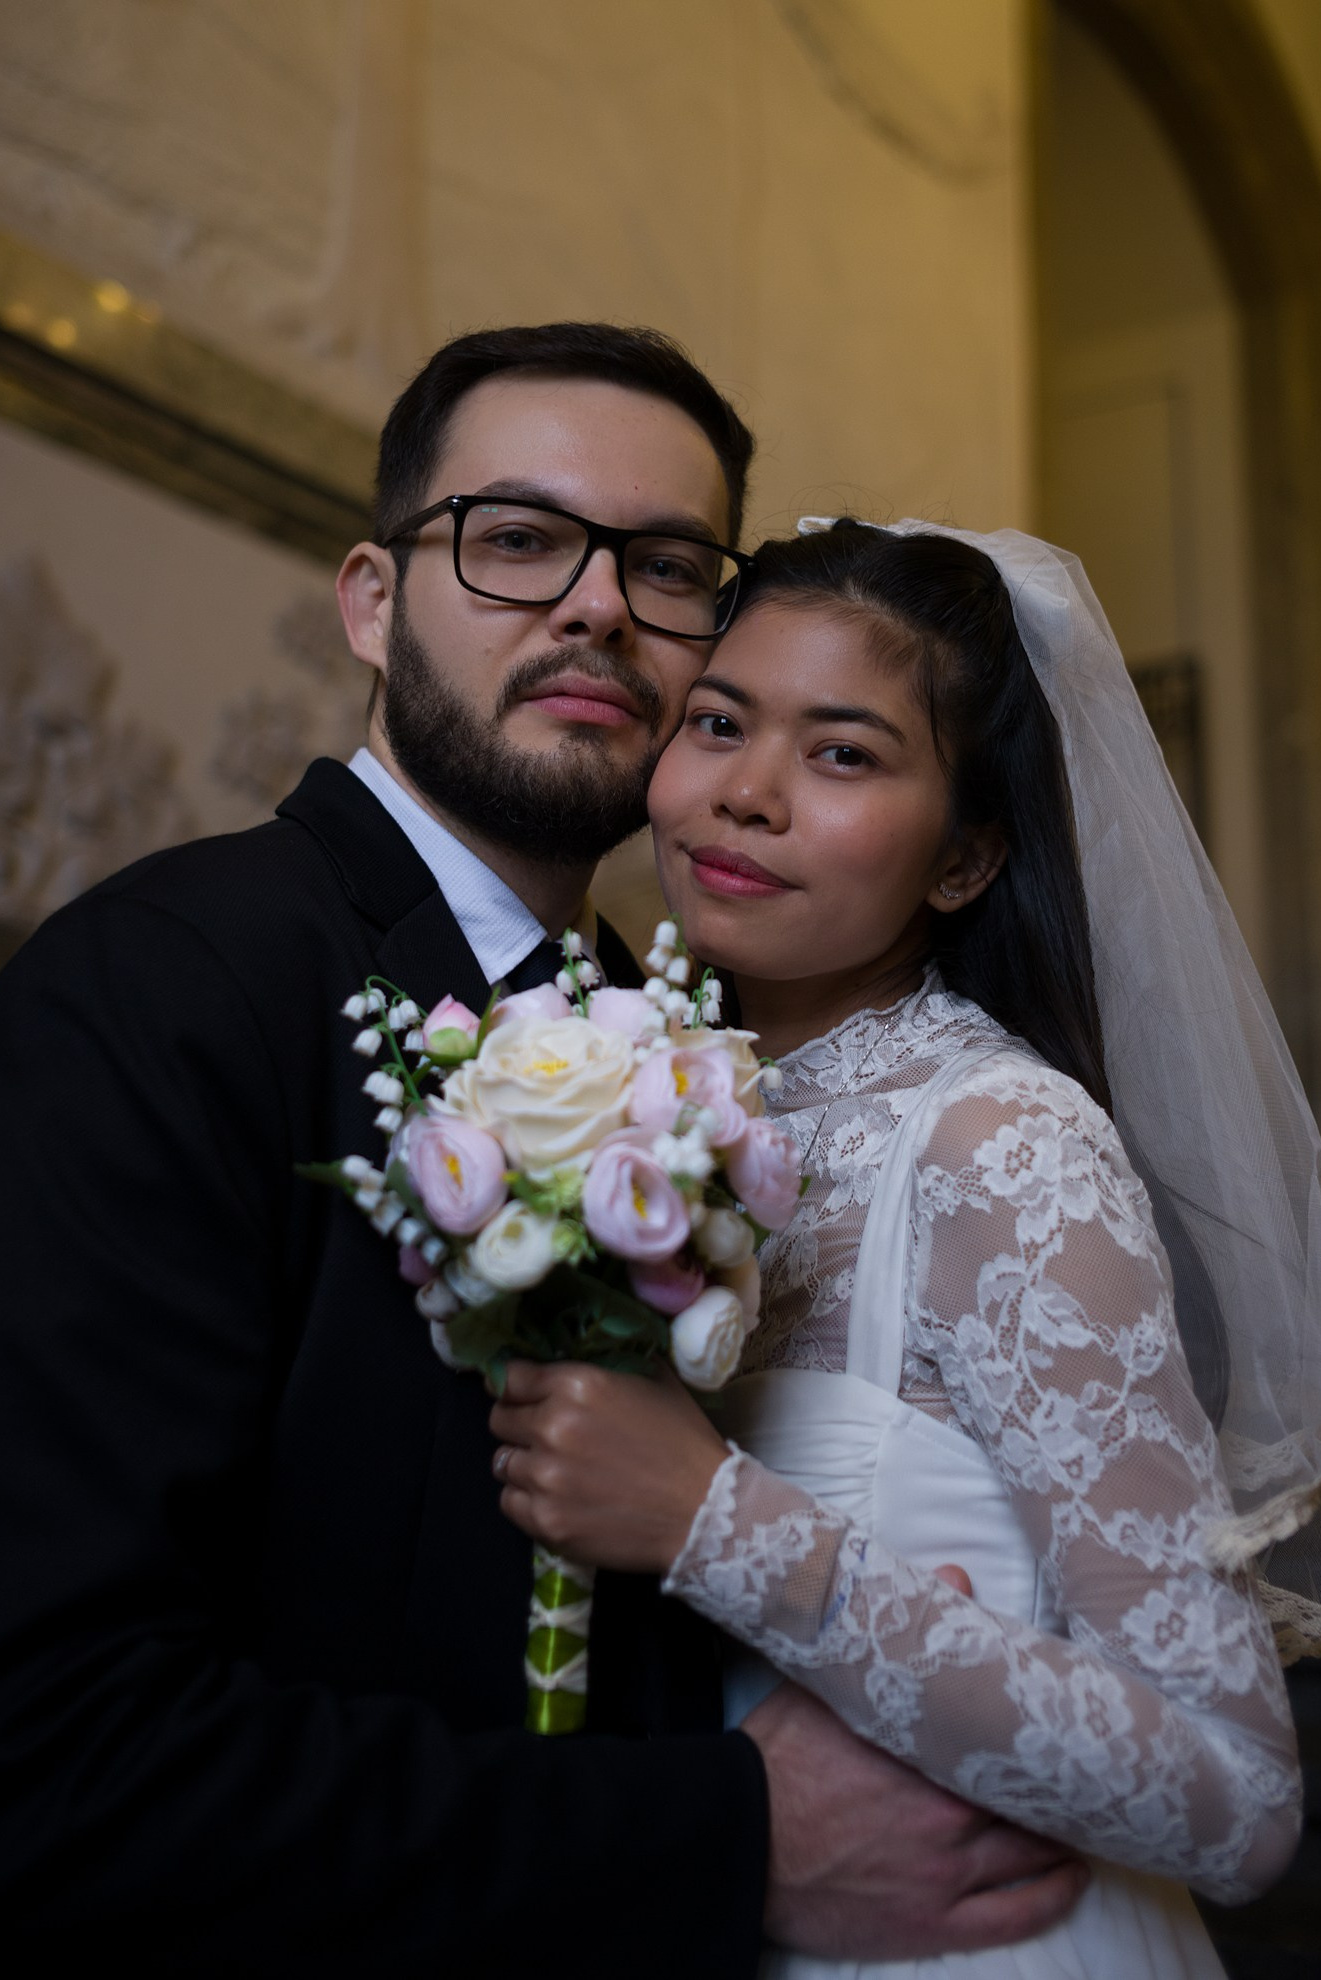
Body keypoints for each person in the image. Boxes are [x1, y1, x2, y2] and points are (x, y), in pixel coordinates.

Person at [0, 333, 1088, 1977]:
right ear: (371, 601)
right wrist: (728, 1838)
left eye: (665, 569)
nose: (593, 606)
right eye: (515, 540)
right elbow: (52, 1750)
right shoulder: (162, 986)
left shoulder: (690, 1039)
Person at [489, 518, 1321, 1977]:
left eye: (844, 755)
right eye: (720, 722)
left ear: (963, 860)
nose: (744, 795)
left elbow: (1235, 1797)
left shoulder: (1002, 1145)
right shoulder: (623, 1081)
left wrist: (711, 1522)